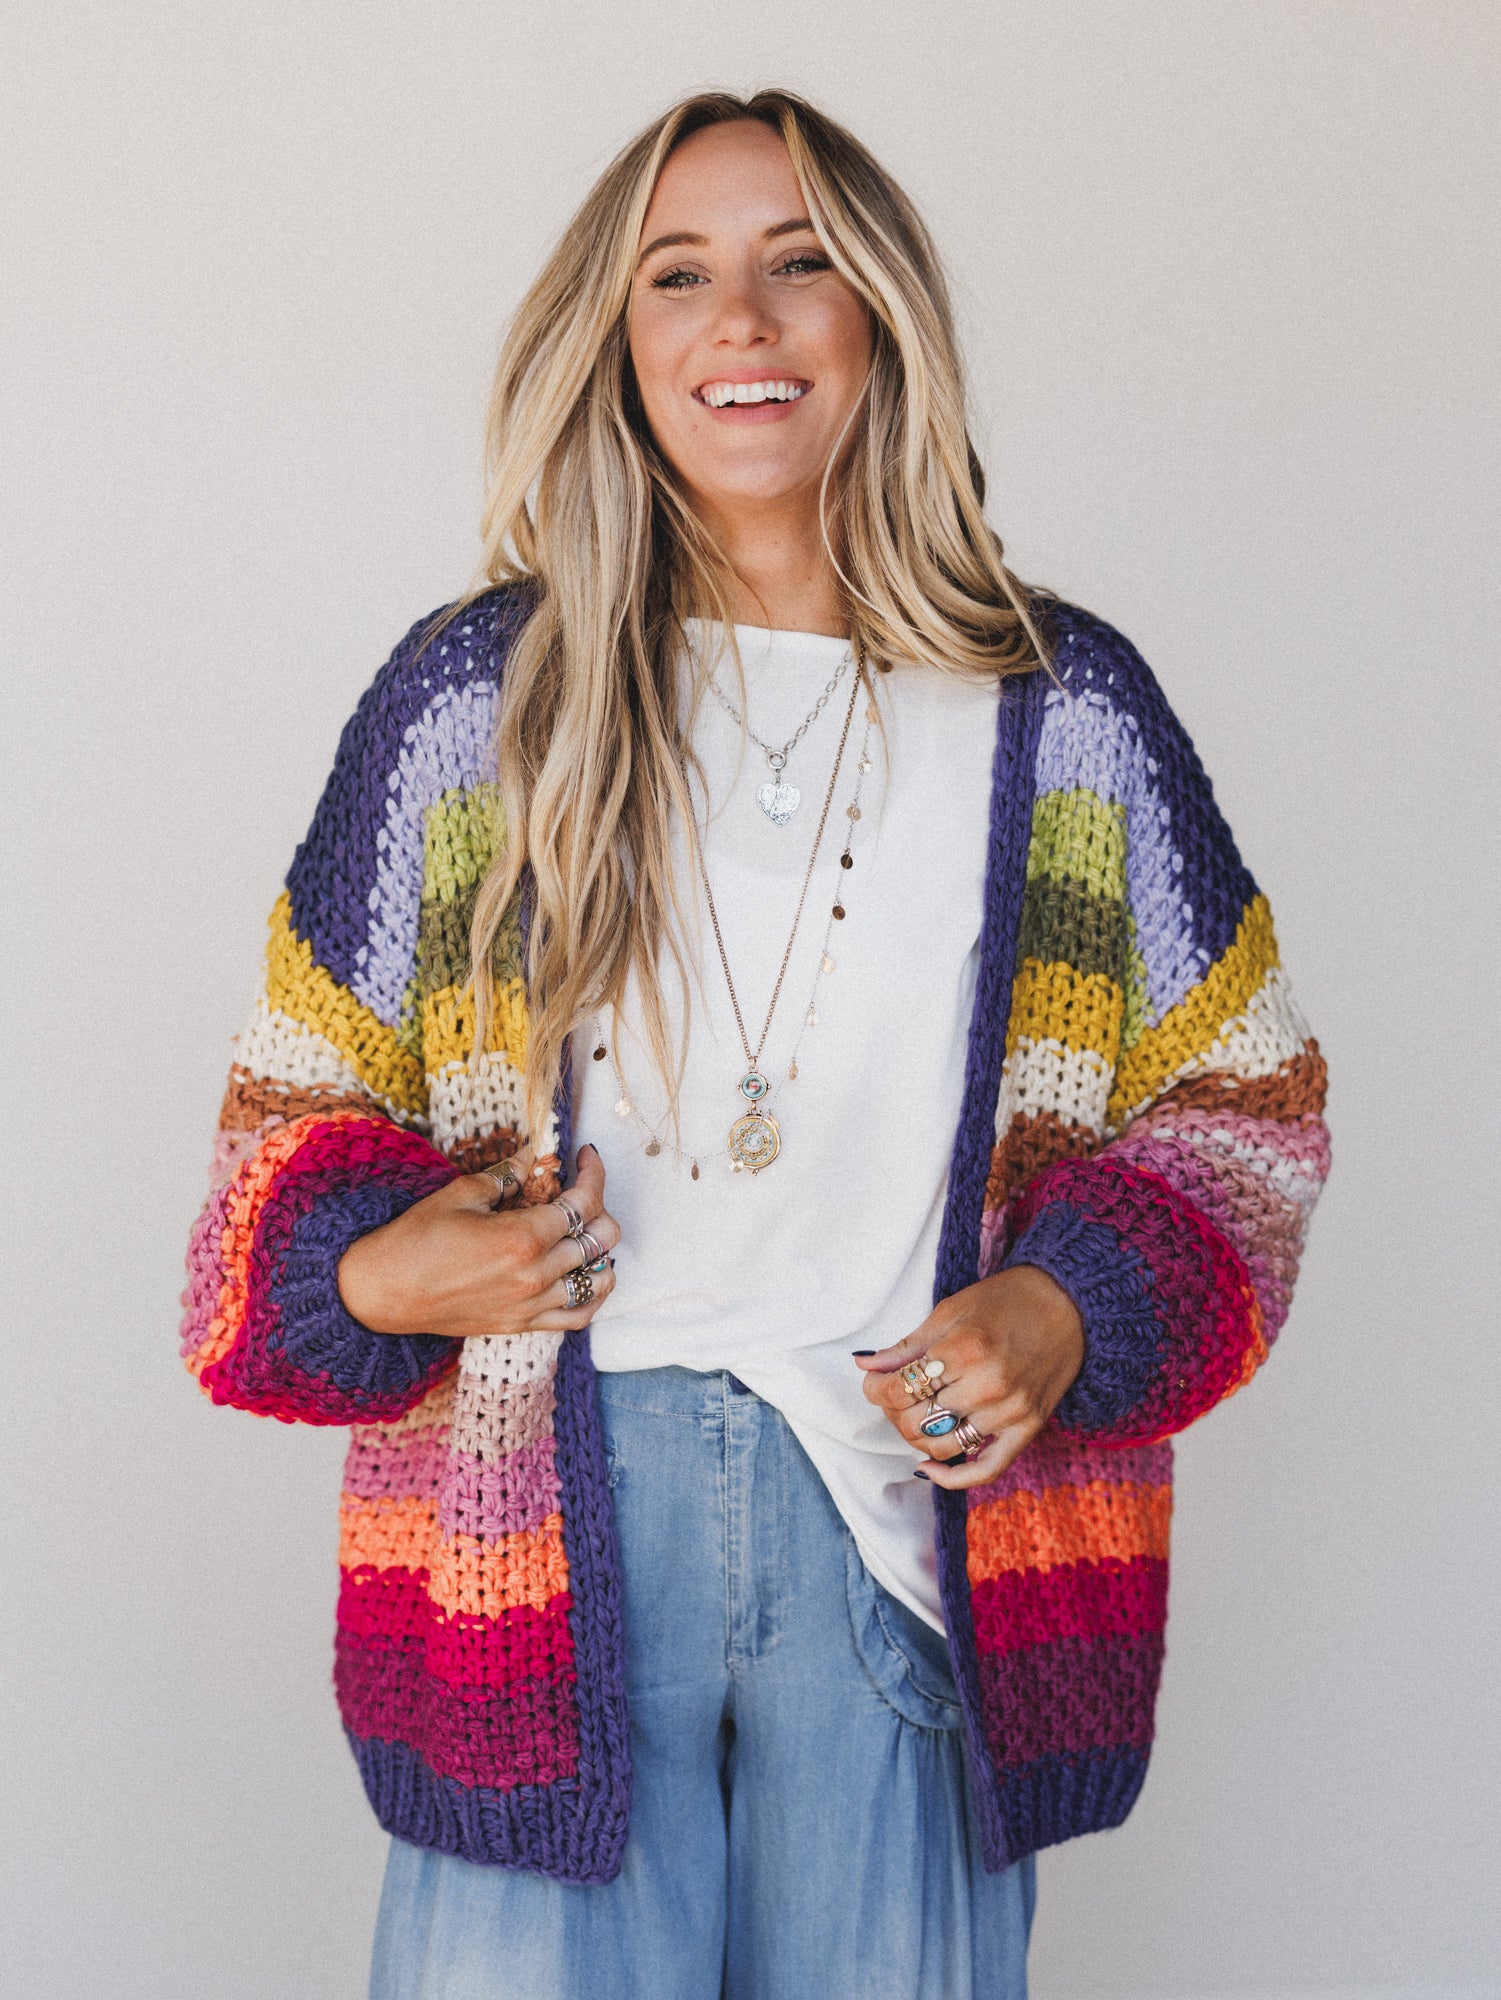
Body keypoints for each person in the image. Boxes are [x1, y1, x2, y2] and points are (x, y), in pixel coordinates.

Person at [180, 88, 1330, 2000]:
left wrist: (1062, 1306)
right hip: (536, 1572)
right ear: (615, 341)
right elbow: (274, 1139)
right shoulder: (481, 707)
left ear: (881, 317)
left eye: (802, 264)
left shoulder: (1060, 713)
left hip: (900, 1555)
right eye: (678, 275)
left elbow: (1248, 1113)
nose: (742, 318)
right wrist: (382, 1272)